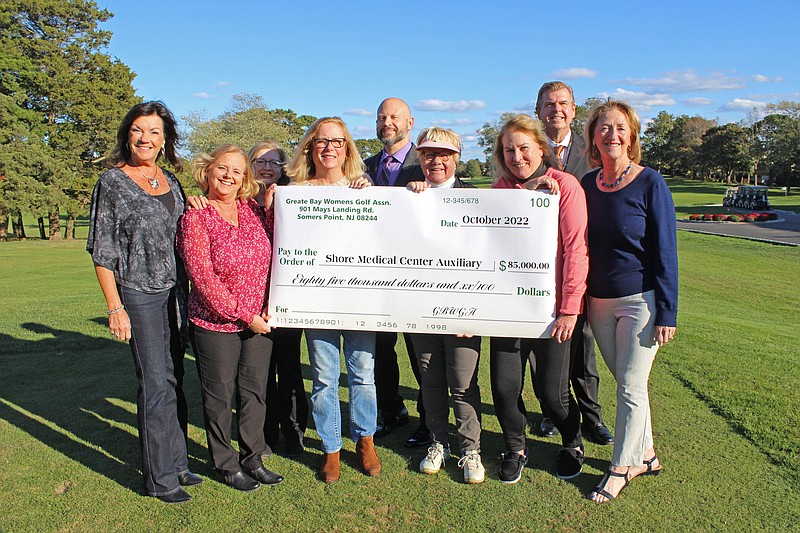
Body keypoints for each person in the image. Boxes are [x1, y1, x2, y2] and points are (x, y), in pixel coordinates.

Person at [87, 101, 200, 504]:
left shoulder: (171, 179)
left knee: (173, 380)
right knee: (153, 384)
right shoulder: (112, 182)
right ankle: (159, 479)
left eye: (154, 131)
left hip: (175, 294)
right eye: (137, 130)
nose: (145, 138)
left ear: (165, 137)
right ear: (127, 134)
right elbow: (102, 252)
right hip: (138, 293)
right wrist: (115, 306)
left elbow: (185, 228)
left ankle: (179, 463)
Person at [581, 100, 677, 503]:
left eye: (620, 128)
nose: (612, 135)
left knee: (632, 386)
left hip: (641, 301)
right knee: (627, 384)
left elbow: (666, 249)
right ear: (593, 136)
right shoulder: (587, 184)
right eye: (604, 128)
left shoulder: (650, 183)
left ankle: (621, 467)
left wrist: (668, 311)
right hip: (598, 301)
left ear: (631, 135)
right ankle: (648, 454)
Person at [177, 144, 284, 492]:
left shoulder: (253, 211)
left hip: (259, 322)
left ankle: (254, 457)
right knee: (220, 396)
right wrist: (245, 315)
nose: (228, 175)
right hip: (216, 323)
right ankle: (225, 463)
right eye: (222, 168)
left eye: (237, 171)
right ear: (208, 171)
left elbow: (278, 253)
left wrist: (269, 306)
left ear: (244, 179)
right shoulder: (195, 217)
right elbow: (203, 279)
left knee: (254, 394)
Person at [490, 114, 587, 483]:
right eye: (509, 150)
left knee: (551, 393)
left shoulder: (565, 186)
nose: (517, 157)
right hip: (506, 309)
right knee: (503, 387)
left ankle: (572, 441)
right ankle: (515, 446)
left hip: (552, 311)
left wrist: (569, 310)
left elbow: (576, 250)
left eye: (524, 148)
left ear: (540, 148)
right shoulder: (498, 192)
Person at [285, 117, 380, 483]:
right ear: (310, 146)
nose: (329, 148)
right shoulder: (295, 191)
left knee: (363, 375)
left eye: (337, 142)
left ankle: (365, 440)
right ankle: (331, 448)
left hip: (359, 298)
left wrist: (368, 194)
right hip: (317, 298)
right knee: (324, 378)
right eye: (321, 142)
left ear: (347, 148)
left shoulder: (362, 187)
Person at [405, 127, 485, 484]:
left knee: (462, 383)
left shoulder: (476, 198)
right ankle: (438, 443)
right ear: (420, 157)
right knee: (430, 381)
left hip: (463, 312)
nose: (435, 161)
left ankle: (471, 450)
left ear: (456, 158)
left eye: (444, 154)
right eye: (427, 154)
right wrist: (409, 198)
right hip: (420, 307)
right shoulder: (406, 195)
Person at [535, 81, 613, 445]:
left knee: (582, 341)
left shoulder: (593, 148)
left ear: (574, 109)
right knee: (548, 343)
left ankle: (592, 415)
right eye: (549, 104)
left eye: (563, 103)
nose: (556, 110)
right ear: (538, 111)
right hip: (539, 265)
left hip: (584, 257)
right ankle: (552, 412)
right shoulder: (527, 150)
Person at [363, 97, 430, 448]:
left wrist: (427, 191)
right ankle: (392, 411)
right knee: (380, 350)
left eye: (394, 117)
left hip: (417, 275)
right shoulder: (365, 166)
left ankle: (429, 419)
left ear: (410, 122)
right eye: (381, 117)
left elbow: (453, 199)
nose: (387, 122)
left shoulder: (427, 162)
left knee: (421, 352)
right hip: (375, 275)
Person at [249, 141, 308, 457]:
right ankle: (266, 432)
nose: (267, 167)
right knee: (258, 372)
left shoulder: (294, 201)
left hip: (286, 297)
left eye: (274, 162)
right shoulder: (240, 202)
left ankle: (294, 430)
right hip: (251, 301)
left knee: (288, 367)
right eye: (260, 161)